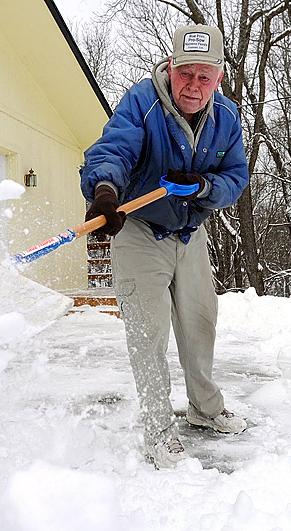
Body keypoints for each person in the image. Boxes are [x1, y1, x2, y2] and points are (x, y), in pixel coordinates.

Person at [79, 24, 250, 469]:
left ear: (218, 77)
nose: (193, 85)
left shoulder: (227, 117)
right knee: (149, 332)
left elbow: (236, 178)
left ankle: (204, 408)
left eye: (204, 76)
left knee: (200, 323)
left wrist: (204, 187)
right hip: (140, 230)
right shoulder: (142, 102)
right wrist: (105, 190)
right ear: (170, 68)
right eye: (185, 73)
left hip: (190, 232)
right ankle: (158, 431)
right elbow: (113, 149)